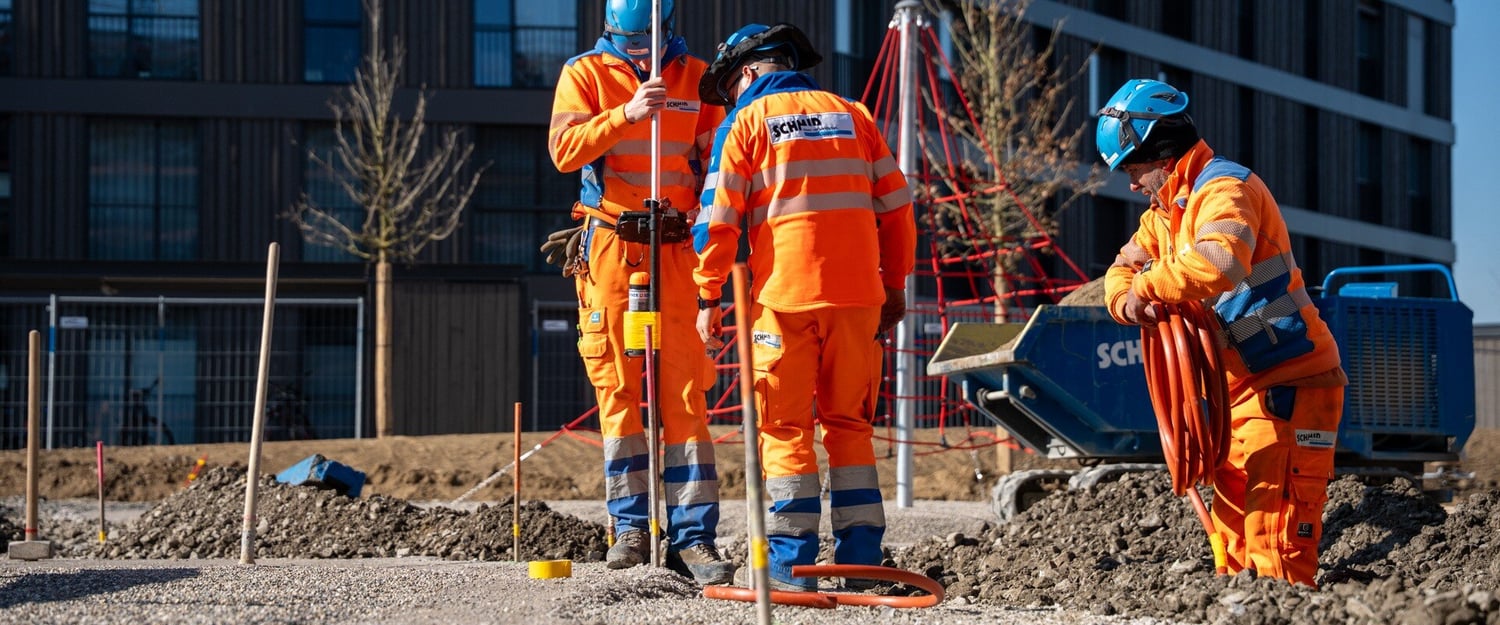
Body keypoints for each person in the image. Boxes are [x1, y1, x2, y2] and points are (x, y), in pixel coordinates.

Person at [691, 23, 916, 591]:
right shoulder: (856, 115)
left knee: (785, 427)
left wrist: (706, 295)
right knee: (851, 428)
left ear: (747, 73)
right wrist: (894, 286)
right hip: (860, 299)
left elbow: (717, 220)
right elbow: (898, 209)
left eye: (730, 87)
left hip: (783, 302)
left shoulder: (745, 122)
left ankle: (794, 570)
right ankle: (861, 565)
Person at [1096, 78, 1347, 587]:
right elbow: (1119, 273)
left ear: (1163, 157)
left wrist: (1149, 288)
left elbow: (1220, 262)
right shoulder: (1166, 215)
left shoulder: (1225, 189)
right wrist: (1128, 300)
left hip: (1288, 385)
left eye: (1133, 169)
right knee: (1233, 537)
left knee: (1273, 531)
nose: (1131, 183)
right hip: (1236, 393)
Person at [545, 0, 733, 585]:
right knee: (618, 389)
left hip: (676, 249)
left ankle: (693, 536)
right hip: (611, 247)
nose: (643, 56)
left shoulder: (699, 79)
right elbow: (564, 152)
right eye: (631, 47)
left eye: (650, 45)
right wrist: (626, 113)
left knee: (684, 390)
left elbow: (717, 165)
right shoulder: (584, 74)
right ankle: (628, 527)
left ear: (668, 31)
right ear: (611, 35)